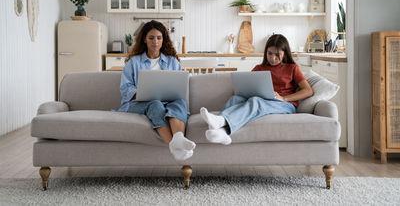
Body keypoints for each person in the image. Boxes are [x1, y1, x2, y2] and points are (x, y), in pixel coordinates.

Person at [200, 34, 313, 145]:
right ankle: (222, 132)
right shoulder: (259, 68)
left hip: (285, 104)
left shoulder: (292, 68)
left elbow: (308, 91)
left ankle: (222, 121)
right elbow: (240, 89)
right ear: (265, 52)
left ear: (285, 54)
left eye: (277, 55)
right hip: (264, 100)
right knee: (235, 99)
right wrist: (241, 90)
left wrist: (284, 98)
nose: (273, 58)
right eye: (269, 54)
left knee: (256, 101)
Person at [117, 20, 195, 161]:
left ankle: (178, 139)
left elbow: (179, 86)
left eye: (159, 38)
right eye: (151, 38)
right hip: (138, 103)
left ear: (163, 40)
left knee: (180, 103)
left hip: (168, 101)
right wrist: (142, 92)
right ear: (145, 40)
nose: (155, 42)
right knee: (155, 104)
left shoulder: (172, 62)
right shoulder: (133, 62)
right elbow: (125, 89)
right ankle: (173, 145)